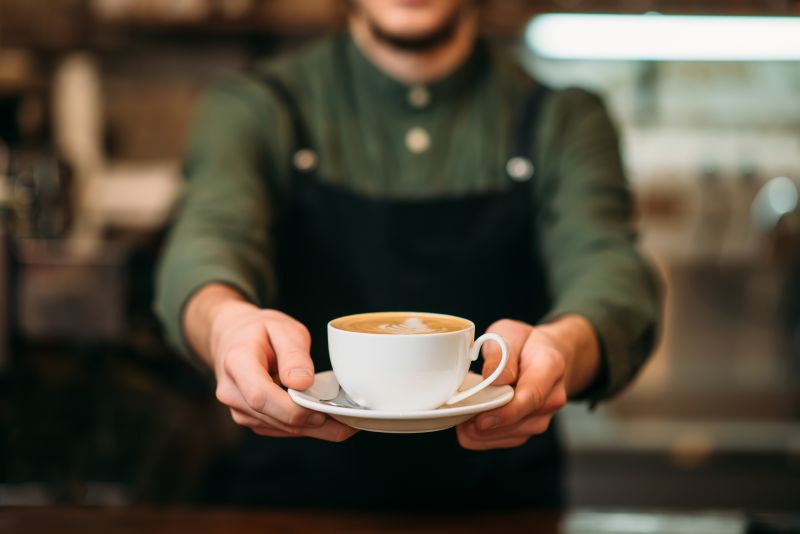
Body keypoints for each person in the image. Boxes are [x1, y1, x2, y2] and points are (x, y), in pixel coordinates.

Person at [155, 0, 661, 510]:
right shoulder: (253, 106)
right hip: (297, 502)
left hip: (502, 504)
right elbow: (208, 238)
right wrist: (225, 325)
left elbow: (609, 268)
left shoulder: (564, 116)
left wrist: (565, 347)